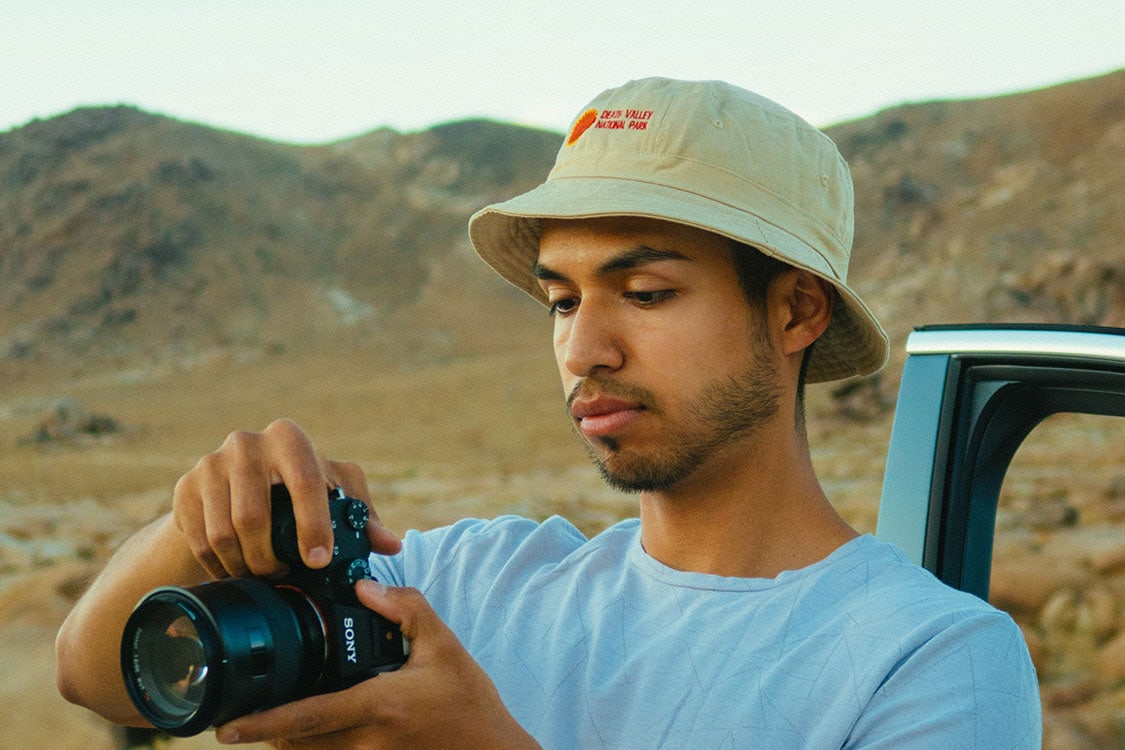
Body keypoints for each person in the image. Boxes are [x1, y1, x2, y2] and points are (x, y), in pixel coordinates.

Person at [56, 78, 1041, 748]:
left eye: (645, 293)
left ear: (794, 311)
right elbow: (94, 670)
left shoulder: (929, 657)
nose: (584, 348)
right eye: (562, 301)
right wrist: (205, 523)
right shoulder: (463, 583)